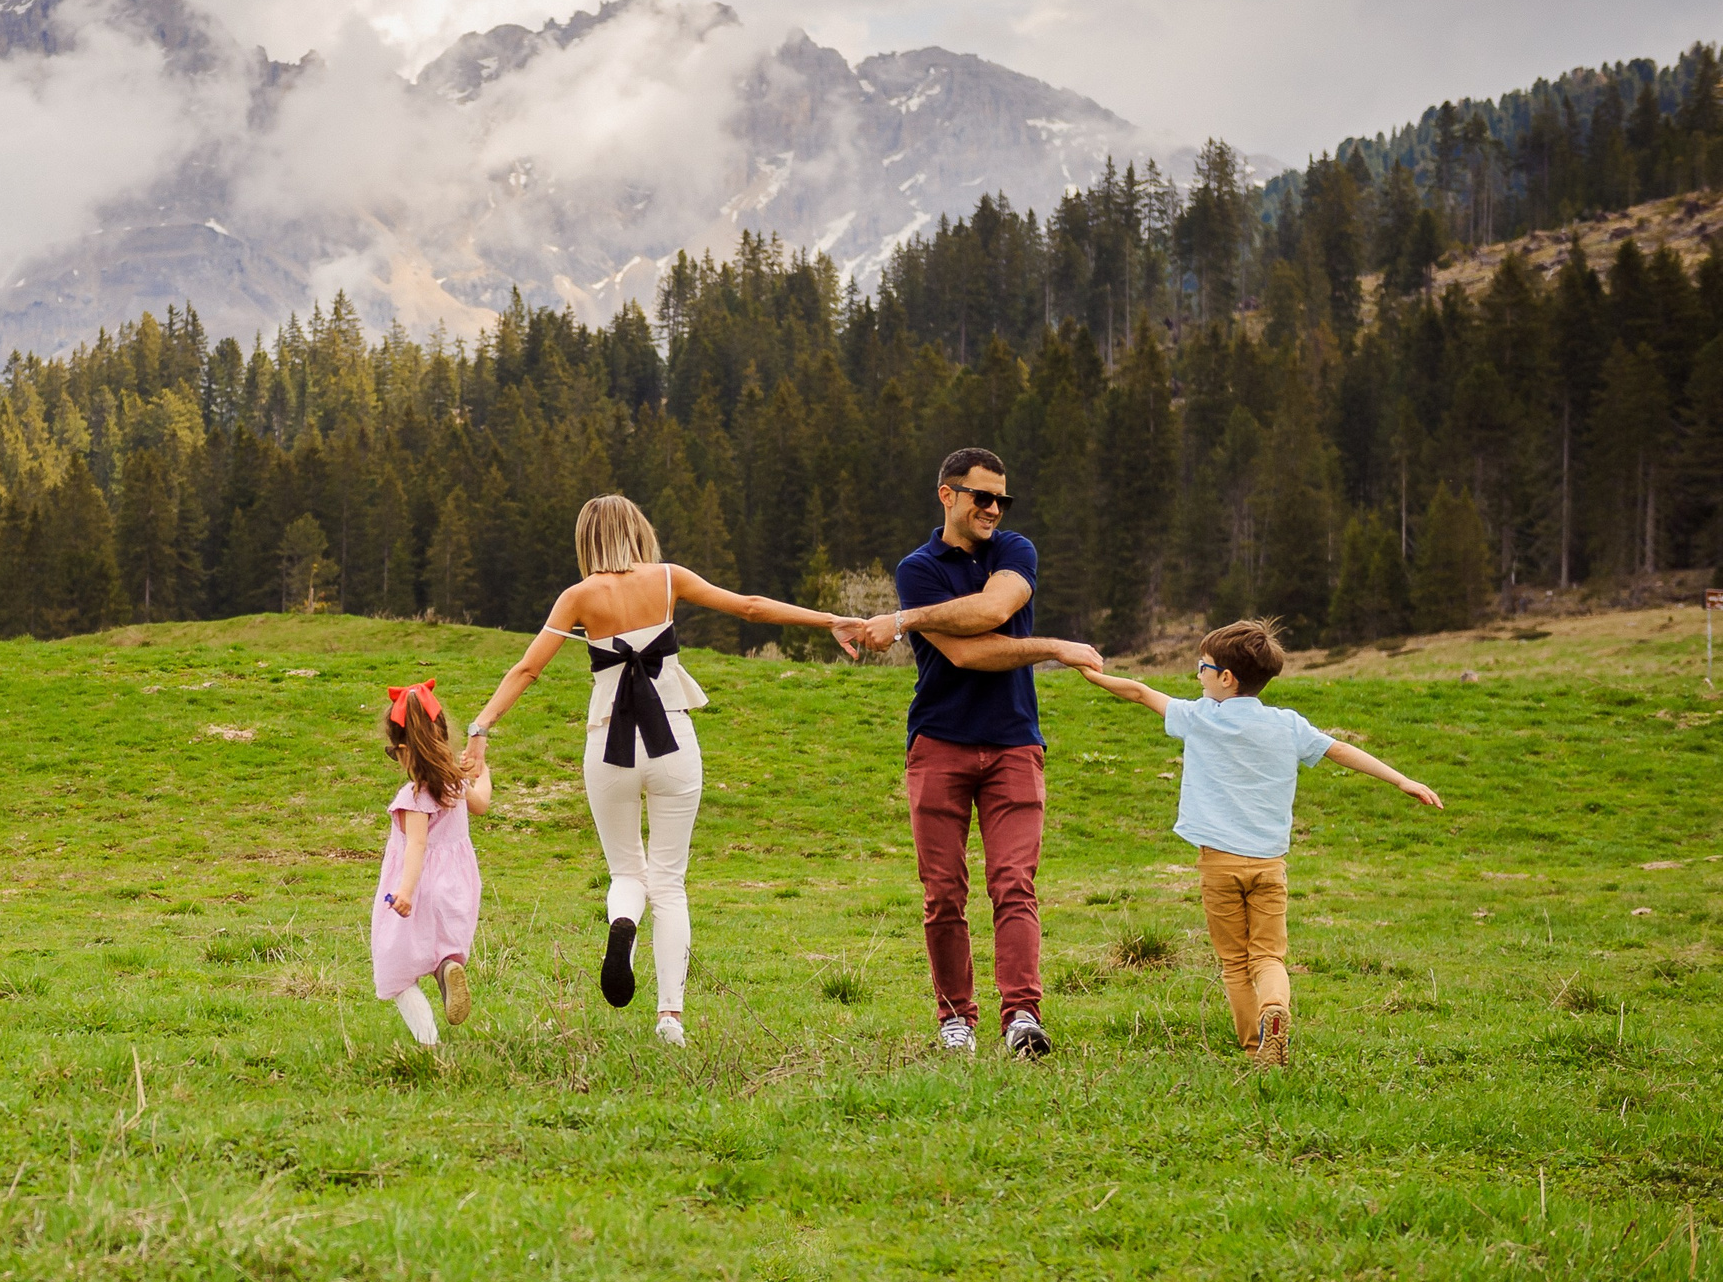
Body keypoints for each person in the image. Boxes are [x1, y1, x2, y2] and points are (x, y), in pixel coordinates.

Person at [464, 494, 859, 1046]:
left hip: (609, 746)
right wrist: (830, 620)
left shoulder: (579, 596)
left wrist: (480, 730)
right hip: (672, 739)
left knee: (628, 873)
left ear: (586, 541)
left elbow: (528, 667)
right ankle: (669, 1018)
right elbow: (747, 606)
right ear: (638, 530)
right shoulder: (668, 579)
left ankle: (622, 925)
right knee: (669, 884)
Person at [1078, 617, 1443, 1065]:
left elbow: (1137, 691)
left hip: (1218, 865)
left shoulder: (1198, 717)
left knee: (1235, 962)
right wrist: (1402, 780)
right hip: (1269, 865)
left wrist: (1087, 671)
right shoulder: (1289, 725)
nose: (1197, 675)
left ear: (1226, 679)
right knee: (1268, 956)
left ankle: (1256, 1048)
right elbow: (1341, 751)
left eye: (1202, 666)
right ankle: (1276, 1008)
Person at [860, 448, 1103, 1060]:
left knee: (1013, 883)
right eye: (981, 497)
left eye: (1002, 499)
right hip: (938, 742)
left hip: (1016, 742)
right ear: (948, 495)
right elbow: (968, 652)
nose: (994, 509)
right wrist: (1052, 647)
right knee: (943, 891)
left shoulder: (1015, 552)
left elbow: (994, 612)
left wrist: (903, 621)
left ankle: (1022, 1016)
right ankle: (956, 1022)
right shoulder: (917, 567)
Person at [370, 679, 492, 1045]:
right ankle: (447, 968)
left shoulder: (413, 795)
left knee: (392, 966)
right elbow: (482, 804)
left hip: (418, 885)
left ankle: (428, 1042)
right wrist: (481, 771)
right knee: (439, 946)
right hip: (457, 884)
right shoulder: (454, 783)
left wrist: (404, 891)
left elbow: (416, 847)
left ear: (405, 750)